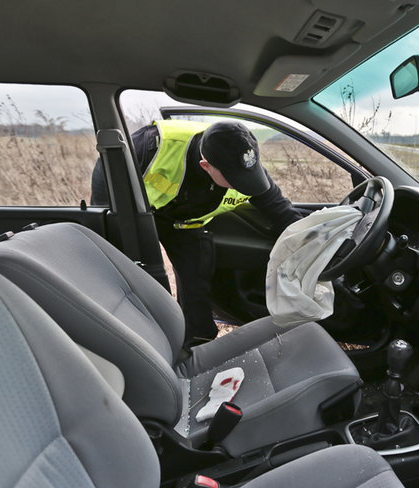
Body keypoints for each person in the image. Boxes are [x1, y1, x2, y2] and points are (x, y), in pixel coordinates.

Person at [91, 119, 301, 346]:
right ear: (205, 165)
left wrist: (312, 241)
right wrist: (111, 227)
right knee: (144, 282)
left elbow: (280, 210)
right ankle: (150, 343)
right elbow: (107, 171)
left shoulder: (242, 163)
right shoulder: (152, 146)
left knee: (197, 286)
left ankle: (197, 342)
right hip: (143, 215)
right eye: (234, 180)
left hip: (187, 223)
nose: (242, 184)